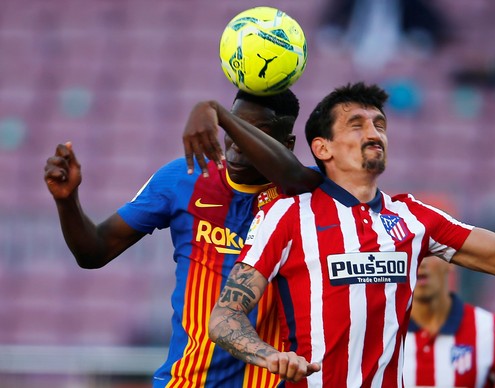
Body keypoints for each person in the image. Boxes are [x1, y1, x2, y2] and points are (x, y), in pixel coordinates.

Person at [208, 82, 495, 386]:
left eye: (379, 125)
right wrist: (269, 356)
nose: (374, 134)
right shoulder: (288, 215)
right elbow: (225, 316)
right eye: (357, 125)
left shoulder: (415, 218)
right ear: (323, 148)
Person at [43, 89, 320, 388]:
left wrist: (216, 111)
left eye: (253, 134)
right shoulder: (181, 178)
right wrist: (67, 201)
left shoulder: (307, 195)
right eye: (232, 129)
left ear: (286, 144)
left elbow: (296, 177)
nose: (237, 148)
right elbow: (94, 252)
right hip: (184, 381)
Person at [404, 255, 495, 387]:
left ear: (450, 260)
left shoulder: (490, 329)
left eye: (429, 252)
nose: (420, 261)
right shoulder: (385, 332)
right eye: (414, 251)